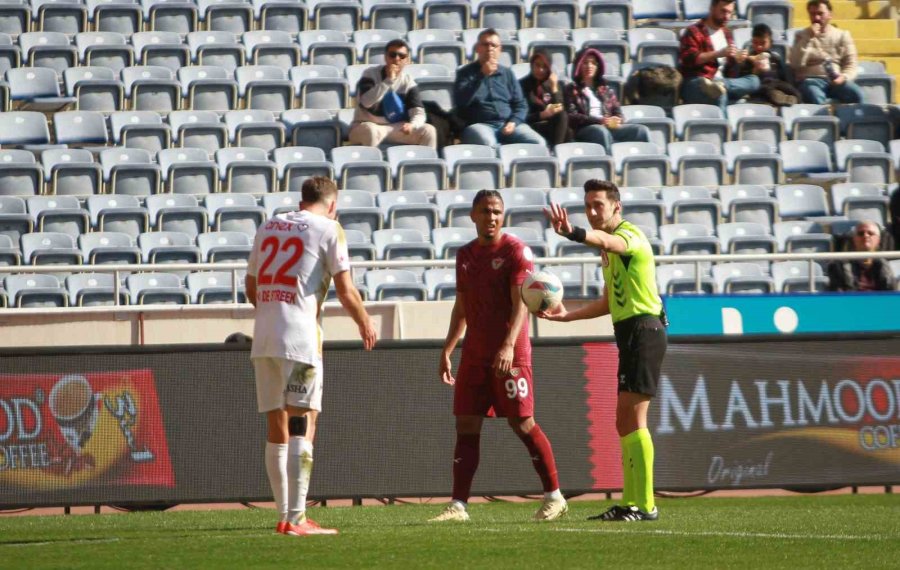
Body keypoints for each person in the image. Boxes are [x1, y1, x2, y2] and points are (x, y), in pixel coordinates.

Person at [246, 176, 378, 536]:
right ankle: (298, 518)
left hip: (264, 336)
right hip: (300, 339)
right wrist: (365, 322)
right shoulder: (329, 228)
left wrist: (274, 313)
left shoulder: (269, 225)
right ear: (332, 204)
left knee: (276, 426)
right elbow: (345, 289)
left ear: (302, 199)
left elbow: (251, 286)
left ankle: (284, 516)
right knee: (303, 423)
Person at [430, 189, 567, 523]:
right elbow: (461, 306)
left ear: (502, 216)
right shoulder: (464, 255)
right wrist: (448, 348)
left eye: (496, 211)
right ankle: (458, 505)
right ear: (473, 215)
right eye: (485, 211)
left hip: (511, 354)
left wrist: (508, 345)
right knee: (466, 423)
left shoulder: (516, 251)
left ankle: (554, 496)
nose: (491, 217)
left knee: (522, 422)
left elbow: (521, 304)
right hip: (475, 353)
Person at [541, 179, 667, 522]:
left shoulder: (628, 236)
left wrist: (573, 232)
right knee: (623, 421)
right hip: (630, 332)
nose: (593, 212)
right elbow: (610, 302)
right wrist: (567, 316)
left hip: (644, 330)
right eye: (588, 206)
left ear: (616, 206)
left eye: (599, 205)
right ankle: (632, 502)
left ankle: (645, 505)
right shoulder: (608, 252)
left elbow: (611, 241)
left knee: (634, 419)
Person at [453, 29, 547, 147]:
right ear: (477, 48)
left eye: (494, 45)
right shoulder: (465, 73)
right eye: (485, 44)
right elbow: (460, 102)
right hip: (480, 125)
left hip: (508, 124)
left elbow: (521, 104)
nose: (490, 48)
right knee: (489, 144)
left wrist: (514, 122)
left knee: (539, 143)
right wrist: (481, 75)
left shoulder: (507, 73)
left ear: (500, 50)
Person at [348, 39, 438, 149]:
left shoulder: (408, 82)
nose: (396, 59)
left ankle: (427, 160)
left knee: (428, 131)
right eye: (392, 55)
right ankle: (371, 160)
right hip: (365, 125)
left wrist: (412, 125)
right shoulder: (370, 74)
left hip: (395, 128)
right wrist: (388, 81)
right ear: (385, 57)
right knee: (371, 131)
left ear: (407, 60)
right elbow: (366, 102)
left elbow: (419, 113)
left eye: (402, 56)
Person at [679, 0, 761, 113]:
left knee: (754, 81)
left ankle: (722, 85)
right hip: (696, 82)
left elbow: (730, 66)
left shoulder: (726, 33)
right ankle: (724, 124)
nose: (727, 16)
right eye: (723, 11)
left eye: (730, 13)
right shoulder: (694, 31)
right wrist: (718, 53)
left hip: (723, 81)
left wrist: (738, 59)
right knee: (720, 94)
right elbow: (688, 59)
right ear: (712, 8)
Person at [564, 48, 651, 154]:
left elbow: (617, 111)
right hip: (586, 128)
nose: (589, 66)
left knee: (640, 130)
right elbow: (572, 116)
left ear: (598, 66)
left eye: (593, 63)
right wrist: (599, 121)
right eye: (585, 63)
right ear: (579, 65)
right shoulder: (571, 89)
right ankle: (610, 161)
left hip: (608, 126)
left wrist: (617, 119)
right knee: (601, 131)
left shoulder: (605, 89)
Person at [790, 0, 864, 105]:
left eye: (820, 13)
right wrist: (808, 37)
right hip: (811, 81)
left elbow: (851, 64)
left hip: (836, 80)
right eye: (812, 14)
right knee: (814, 96)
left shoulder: (842, 35)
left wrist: (843, 77)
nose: (816, 18)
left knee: (857, 94)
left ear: (830, 15)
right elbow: (795, 63)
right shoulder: (801, 35)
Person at [739, 23, 802, 106]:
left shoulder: (775, 59)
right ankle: (778, 97)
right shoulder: (748, 60)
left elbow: (785, 78)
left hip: (776, 85)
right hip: (759, 88)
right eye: (755, 42)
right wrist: (754, 71)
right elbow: (744, 81)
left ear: (770, 43)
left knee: (787, 88)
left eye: (763, 43)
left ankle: (790, 98)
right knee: (765, 88)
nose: (759, 47)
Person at [826, 221, 896, 291]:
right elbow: (838, 295)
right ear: (854, 239)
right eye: (861, 233)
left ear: (878, 240)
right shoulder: (838, 266)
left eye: (870, 233)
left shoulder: (886, 267)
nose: (865, 235)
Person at [520, 50, 569, 148]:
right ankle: (556, 151)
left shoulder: (553, 83)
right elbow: (521, 116)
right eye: (537, 65)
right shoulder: (522, 85)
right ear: (531, 65)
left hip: (551, 125)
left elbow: (560, 109)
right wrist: (542, 115)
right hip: (532, 125)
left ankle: (556, 151)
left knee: (567, 126)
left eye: (544, 67)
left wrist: (554, 87)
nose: (540, 70)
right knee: (566, 132)